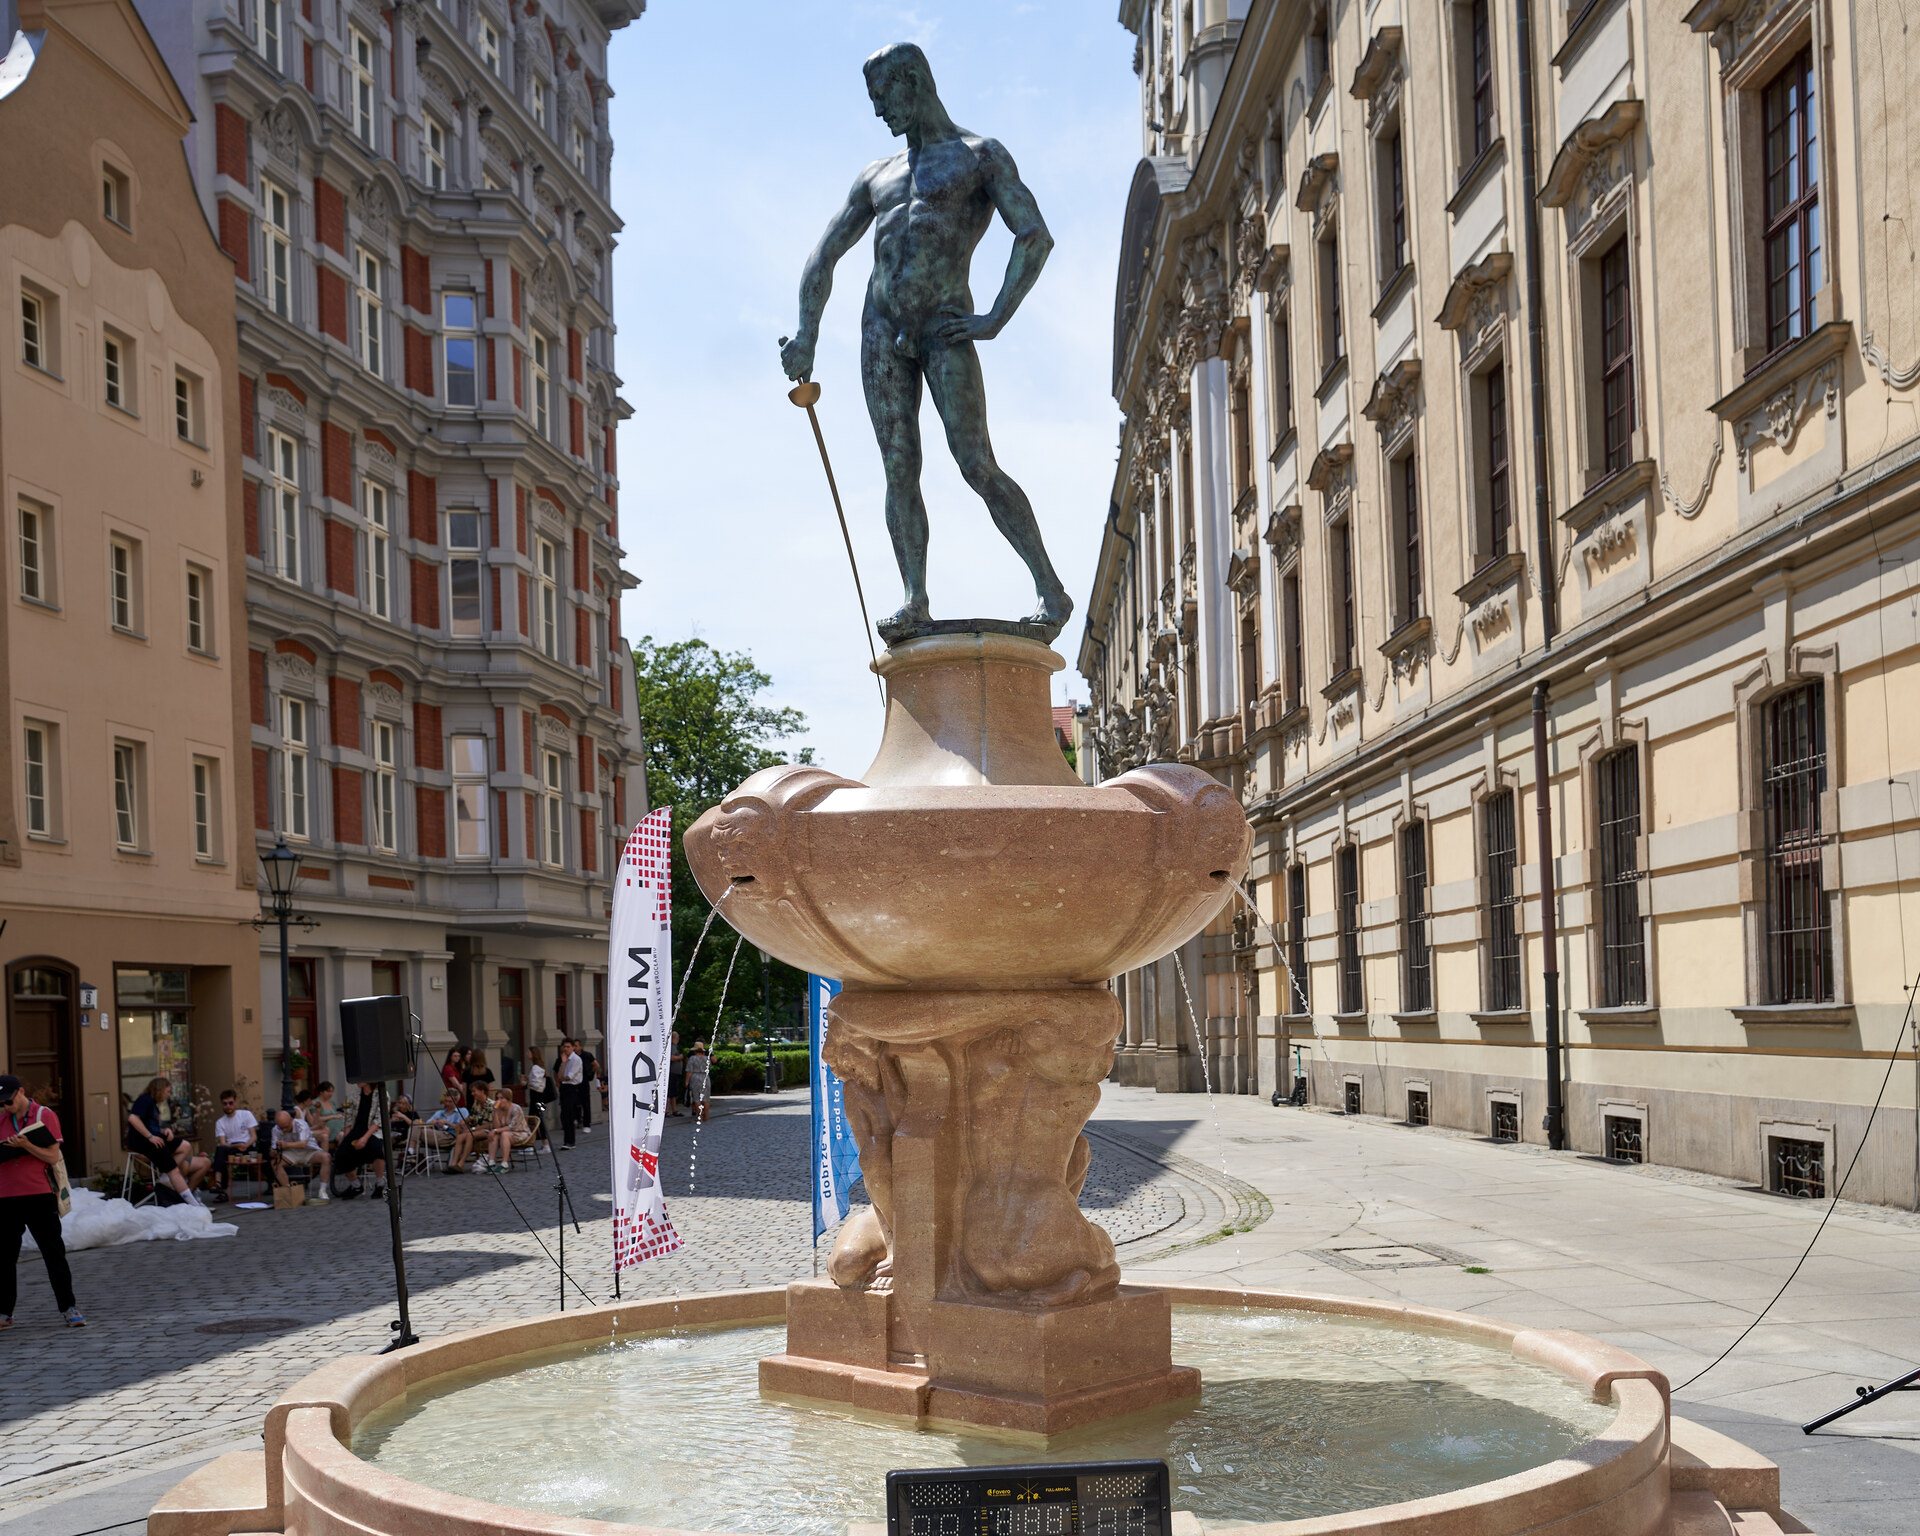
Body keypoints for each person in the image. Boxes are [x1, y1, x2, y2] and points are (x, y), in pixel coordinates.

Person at [778, 43, 1073, 642]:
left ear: (913, 81)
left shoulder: (978, 156)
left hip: (945, 325)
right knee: (898, 467)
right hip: (880, 330)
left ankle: (1050, 589)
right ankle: (915, 598)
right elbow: (824, 254)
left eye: (883, 96)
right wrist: (807, 332)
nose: (878, 111)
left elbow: (1034, 235)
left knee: (975, 463)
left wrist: (995, 317)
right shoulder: (877, 175)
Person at [0, 1075, 84, 1329]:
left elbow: (52, 1156)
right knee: (4, 1257)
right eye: (1, 1103)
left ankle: (69, 1307)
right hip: (5, 1196)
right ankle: (4, 1312)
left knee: (53, 1253)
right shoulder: (1, 1119)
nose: (6, 1106)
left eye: (8, 1101)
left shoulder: (43, 1115)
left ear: (21, 1092)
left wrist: (26, 1145)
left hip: (38, 1194)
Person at [124, 1076, 210, 1204]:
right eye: (168, 1091)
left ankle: (165, 1176)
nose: (169, 1094)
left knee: (185, 1146)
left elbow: (149, 1125)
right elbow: (133, 1118)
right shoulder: (145, 1099)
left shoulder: (153, 1103)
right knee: (174, 1171)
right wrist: (150, 1136)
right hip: (144, 1143)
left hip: (154, 1139)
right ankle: (192, 1204)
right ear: (159, 1089)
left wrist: (164, 1130)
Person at [332, 1084, 387, 1199]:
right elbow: (348, 1118)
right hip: (356, 1130)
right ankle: (356, 1185)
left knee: (376, 1148)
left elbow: (379, 1120)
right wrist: (346, 1138)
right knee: (341, 1154)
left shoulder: (382, 1094)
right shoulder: (353, 1094)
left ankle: (380, 1183)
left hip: (374, 1130)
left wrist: (364, 1138)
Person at [269, 1108, 331, 1200]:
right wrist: (274, 1151)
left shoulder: (301, 1124)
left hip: (308, 1151)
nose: (284, 1130)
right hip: (291, 1153)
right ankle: (288, 1190)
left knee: (326, 1157)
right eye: (281, 1127)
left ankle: (322, 1190)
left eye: (286, 1126)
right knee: (275, 1162)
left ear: (291, 1120)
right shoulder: (275, 1129)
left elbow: (303, 1144)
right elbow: (274, 1148)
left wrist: (286, 1145)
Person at [211, 1090, 260, 1203]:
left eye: (230, 1103)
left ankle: (220, 1188)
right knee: (221, 1150)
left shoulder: (245, 1114)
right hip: (231, 1147)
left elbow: (254, 1136)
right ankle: (219, 1185)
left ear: (235, 1101)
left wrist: (245, 1145)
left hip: (248, 1146)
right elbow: (223, 1142)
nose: (228, 1106)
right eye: (225, 1104)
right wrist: (236, 1145)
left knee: (223, 1152)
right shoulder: (220, 1122)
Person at [423, 1091, 473, 1171]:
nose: (447, 1104)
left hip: (450, 1136)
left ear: (456, 1101)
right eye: (446, 1101)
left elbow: (462, 1128)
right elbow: (427, 1123)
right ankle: (411, 1153)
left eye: (450, 1101)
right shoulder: (440, 1113)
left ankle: (411, 1153)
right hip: (437, 1134)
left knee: (417, 1129)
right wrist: (434, 1122)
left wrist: (447, 1123)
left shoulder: (462, 1111)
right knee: (416, 1126)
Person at [485, 1093, 533, 1170]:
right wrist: (495, 1112)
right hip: (506, 1133)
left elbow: (512, 1126)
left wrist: (495, 1130)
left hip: (521, 1132)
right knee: (494, 1135)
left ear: (508, 1099)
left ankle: (504, 1164)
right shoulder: (499, 1109)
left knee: (504, 1134)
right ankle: (491, 1162)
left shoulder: (516, 1108)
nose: (499, 1100)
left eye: (501, 1098)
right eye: (497, 1098)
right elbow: (497, 1127)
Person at [555, 1039, 584, 1149]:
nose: (565, 1049)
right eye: (564, 1047)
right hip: (564, 1088)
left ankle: (571, 1142)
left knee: (569, 1114)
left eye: (568, 1047)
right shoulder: (564, 1059)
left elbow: (568, 1077)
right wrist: (563, 1063)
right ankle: (566, 1141)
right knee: (564, 1115)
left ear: (573, 1047)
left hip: (572, 1088)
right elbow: (559, 1076)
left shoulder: (576, 1060)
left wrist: (562, 1075)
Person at [525, 1051, 554, 1144]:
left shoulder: (536, 1067)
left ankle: (543, 1143)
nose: (527, 1054)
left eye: (529, 1052)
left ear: (534, 1054)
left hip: (537, 1097)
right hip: (538, 1097)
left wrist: (527, 1083)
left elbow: (537, 1084)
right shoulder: (537, 1066)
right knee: (537, 1119)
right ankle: (540, 1142)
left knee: (537, 1119)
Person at [685, 1041, 713, 1124]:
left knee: (697, 1099)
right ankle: (706, 1116)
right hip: (706, 1077)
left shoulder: (692, 1058)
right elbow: (710, 1068)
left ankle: (699, 1117)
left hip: (695, 1078)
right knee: (706, 1099)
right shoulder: (707, 1058)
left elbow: (689, 1071)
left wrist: (686, 1081)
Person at [666, 1031, 685, 1117]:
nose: (678, 1039)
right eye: (677, 1037)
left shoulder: (675, 1047)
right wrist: (680, 1057)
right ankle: (666, 1111)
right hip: (671, 1072)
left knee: (673, 1093)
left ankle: (674, 1110)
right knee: (669, 1092)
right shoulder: (671, 1046)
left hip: (675, 1073)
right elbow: (670, 1057)